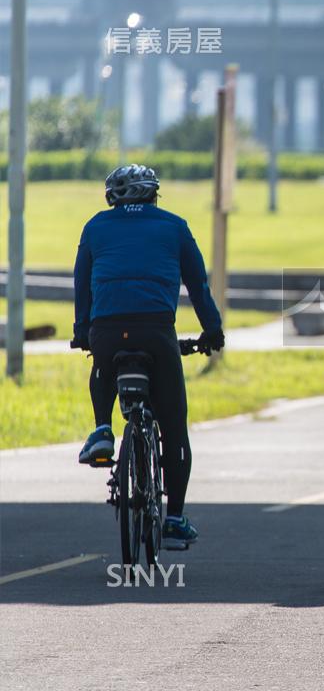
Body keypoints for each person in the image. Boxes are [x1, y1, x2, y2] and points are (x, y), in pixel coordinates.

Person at [72, 164, 224, 550]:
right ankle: (173, 520)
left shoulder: (94, 227)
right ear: (155, 194)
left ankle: (103, 429)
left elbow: (82, 282)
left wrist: (82, 331)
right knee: (174, 427)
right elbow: (198, 286)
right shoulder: (175, 226)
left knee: (103, 361)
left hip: (106, 328)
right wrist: (213, 332)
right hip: (157, 331)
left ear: (112, 198)